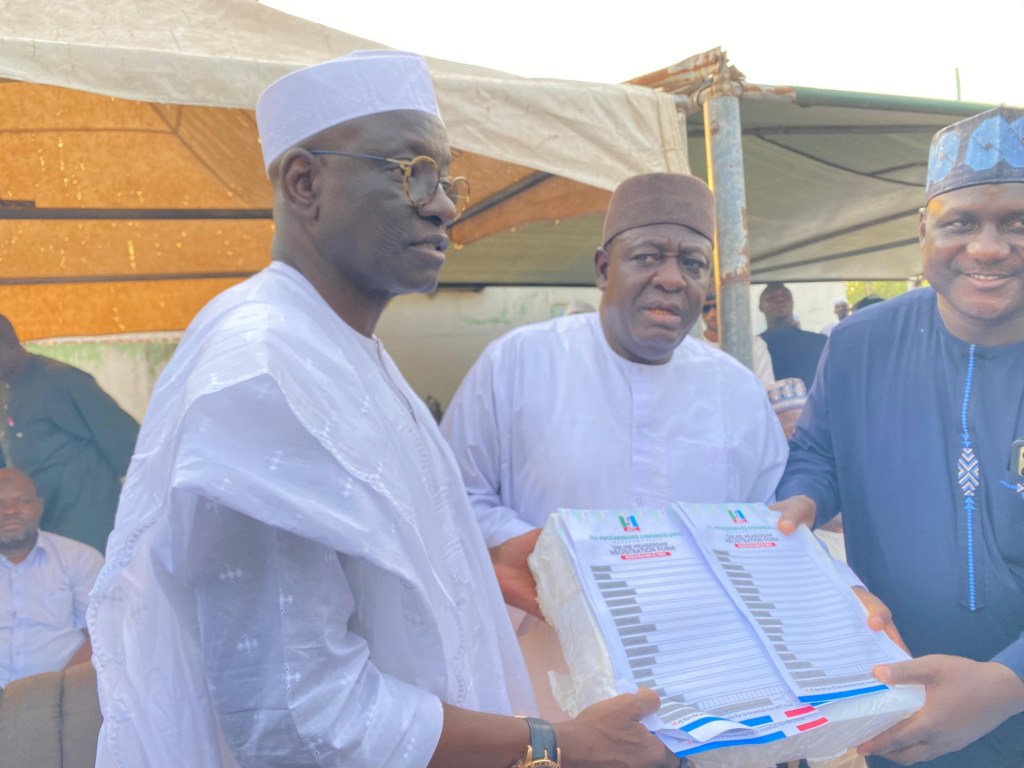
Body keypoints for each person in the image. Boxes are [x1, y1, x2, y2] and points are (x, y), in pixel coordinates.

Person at [87, 51, 679, 768]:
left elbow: (354, 579)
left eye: (447, 180)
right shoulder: (264, 372)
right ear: (304, 182)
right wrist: (555, 745)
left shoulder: (342, 348)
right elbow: (298, 719)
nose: (445, 206)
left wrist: (475, 566)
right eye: (412, 172)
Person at [441, 173, 788, 718]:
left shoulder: (737, 391)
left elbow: (766, 519)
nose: (671, 279)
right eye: (647, 257)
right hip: (550, 679)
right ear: (604, 268)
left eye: (693, 264)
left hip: (703, 684)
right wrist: (547, 552)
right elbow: (451, 495)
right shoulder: (517, 363)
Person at [775, 105, 1024, 767]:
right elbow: (819, 453)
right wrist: (801, 500)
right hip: (903, 708)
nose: (988, 248)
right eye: (961, 222)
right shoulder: (860, 343)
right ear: (923, 230)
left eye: (1017, 223)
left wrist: (1010, 682)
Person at [0, 315, 139, 553]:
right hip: (42, 533)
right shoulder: (6, 390)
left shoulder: (63, 382)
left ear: (10, 342)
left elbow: (131, 449)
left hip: (88, 532)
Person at [0, 467, 103, 688]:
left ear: (40, 506)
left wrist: (56, 689)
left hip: (63, 692)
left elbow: (101, 636)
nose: (10, 510)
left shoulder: (80, 559)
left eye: (23, 501)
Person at [758, 282, 828, 388]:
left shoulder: (820, 342)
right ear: (760, 307)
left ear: (793, 302)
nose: (779, 300)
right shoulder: (755, 349)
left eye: (785, 296)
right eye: (771, 298)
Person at [700, 291, 775, 386]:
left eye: (717, 307)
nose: (712, 314)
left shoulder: (755, 345)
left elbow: (766, 387)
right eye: (706, 309)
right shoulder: (693, 345)